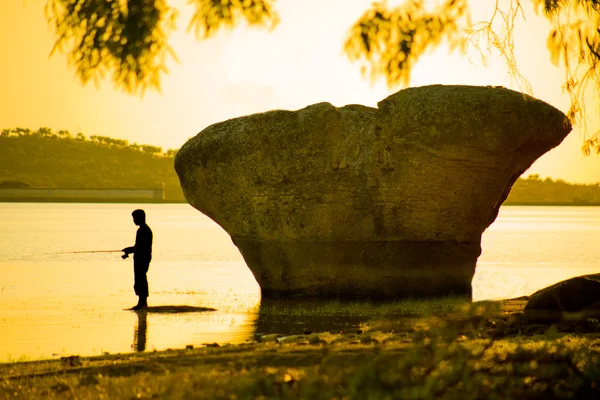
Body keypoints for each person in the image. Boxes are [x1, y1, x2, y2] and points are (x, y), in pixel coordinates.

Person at [122, 209, 153, 310]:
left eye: (135, 218)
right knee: (140, 278)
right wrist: (128, 251)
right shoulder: (143, 230)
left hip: (142, 258)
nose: (134, 220)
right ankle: (142, 302)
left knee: (141, 279)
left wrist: (129, 249)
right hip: (141, 257)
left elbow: (140, 247)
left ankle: (142, 303)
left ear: (140, 218)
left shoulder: (143, 231)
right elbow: (138, 247)